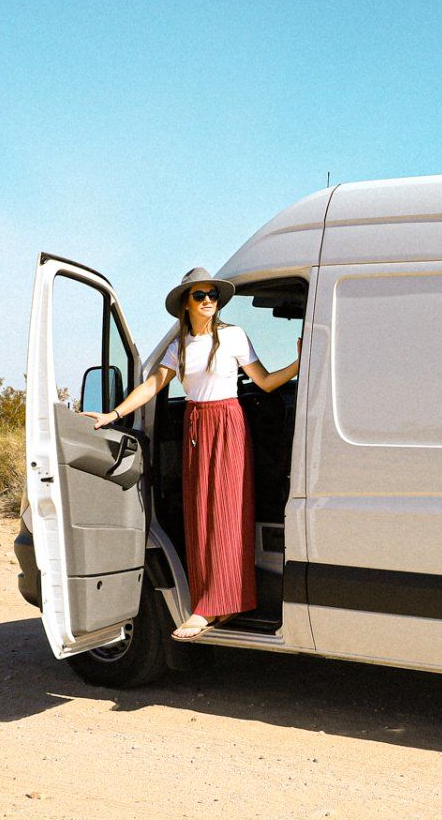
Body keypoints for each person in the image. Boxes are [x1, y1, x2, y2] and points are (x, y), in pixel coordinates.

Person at [84, 267, 300, 640]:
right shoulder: (179, 347)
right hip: (197, 426)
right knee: (200, 515)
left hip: (228, 424)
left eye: (212, 295)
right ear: (186, 303)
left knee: (229, 513)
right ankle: (211, 603)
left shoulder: (233, 336)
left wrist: (299, 362)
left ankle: (216, 605)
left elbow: (264, 382)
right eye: (200, 295)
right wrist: (113, 414)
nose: (208, 301)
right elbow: (151, 385)